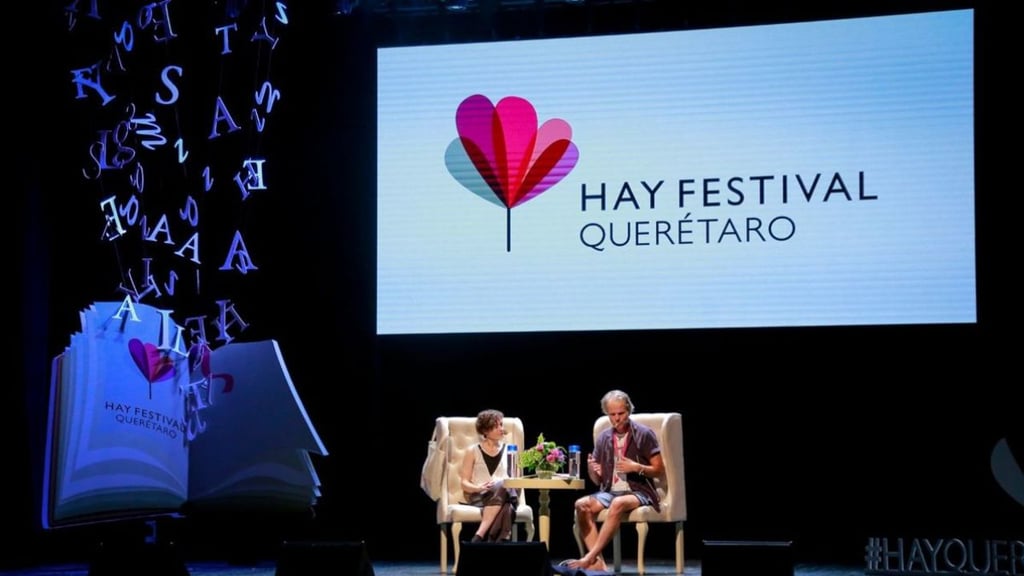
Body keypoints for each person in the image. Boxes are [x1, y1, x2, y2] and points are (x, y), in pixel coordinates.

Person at [566, 390, 664, 571]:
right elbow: (597, 481)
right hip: (610, 491)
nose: (617, 418)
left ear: (629, 410)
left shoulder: (643, 434)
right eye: (612, 414)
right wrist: (593, 470)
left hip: (639, 491)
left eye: (621, 413)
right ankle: (598, 565)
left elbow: (659, 470)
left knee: (618, 503)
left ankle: (589, 557)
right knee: (581, 505)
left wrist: (636, 467)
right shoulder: (604, 438)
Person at [460, 408, 519, 542]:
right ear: (485, 431)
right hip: (481, 496)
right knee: (507, 501)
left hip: (505, 494)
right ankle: (497, 542)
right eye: (496, 426)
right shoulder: (473, 451)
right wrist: (478, 488)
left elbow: (516, 479)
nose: (501, 429)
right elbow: (464, 483)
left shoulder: (510, 450)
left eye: (501, 425)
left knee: (505, 490)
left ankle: (480, 536)